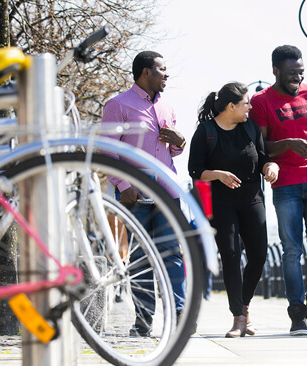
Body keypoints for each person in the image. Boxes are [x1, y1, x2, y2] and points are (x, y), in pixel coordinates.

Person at [249, 45, 307, 336]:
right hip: (284, 184)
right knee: (291, 250)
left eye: (300, 72)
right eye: (291, 73)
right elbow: (259, 146)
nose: (297, 78)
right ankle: (297, 312)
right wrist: (288, 144)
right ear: (275, 70)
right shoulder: (261, 101)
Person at [101, 50, 187, 337]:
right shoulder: (117, 105)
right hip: (133, 196)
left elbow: (171, 150)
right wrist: (123, 186)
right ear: (146, 72)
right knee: (139, 258)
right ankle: (143, 320)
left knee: (172, 253)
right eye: (162, 69)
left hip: (167, 192)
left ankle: (179, 314)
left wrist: (179, 141)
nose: (167, 74)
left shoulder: (168, 107)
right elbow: (106, 153)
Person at [188, 82, 279, 338]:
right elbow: (194, 170)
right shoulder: (205, 131)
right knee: (230, 256)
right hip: (221, 203)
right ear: (231, 106)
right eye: (246, 103)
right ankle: (239, 317)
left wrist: (271, 168)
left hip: (252, 199)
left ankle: (244, 306)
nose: (250, 107)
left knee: (259, 255)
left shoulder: (249, 127)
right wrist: (217, 174)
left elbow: (262, 158)